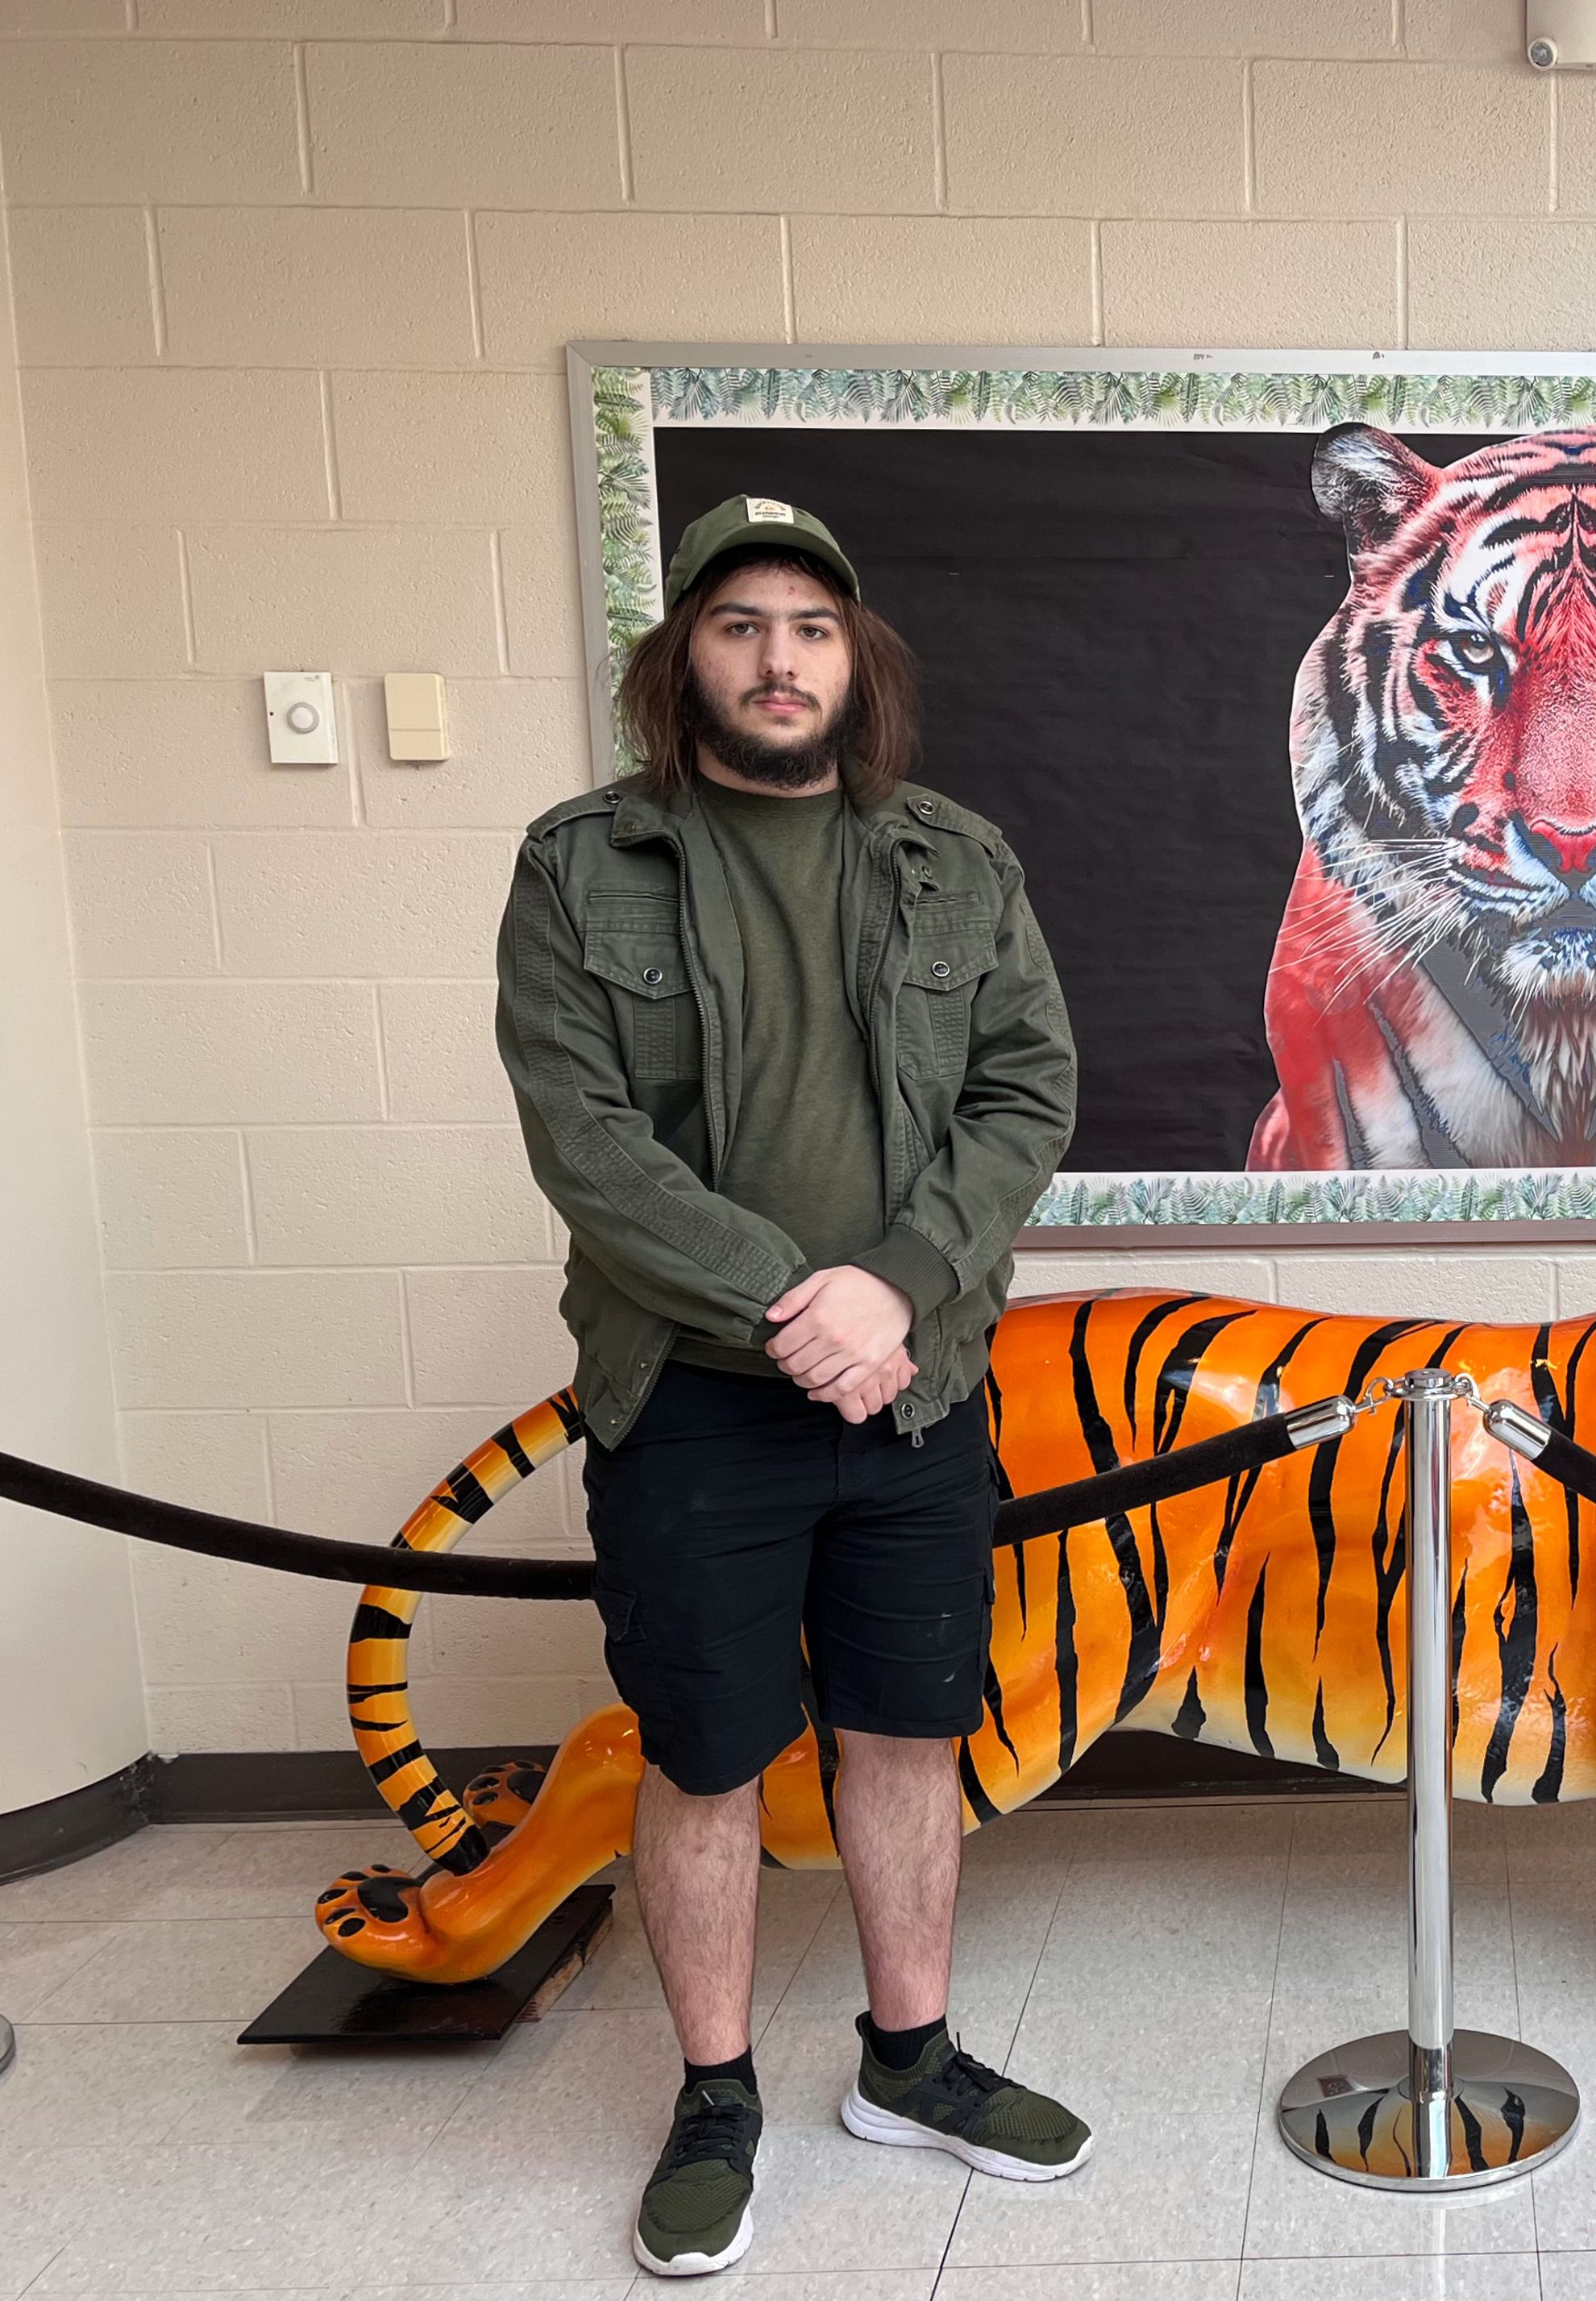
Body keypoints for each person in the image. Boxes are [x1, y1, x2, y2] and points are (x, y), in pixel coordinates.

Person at [495, 495, 1084, 2277]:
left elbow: (1025, 1093)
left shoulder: (955, 859)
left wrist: (893, 1292)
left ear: (855, 658)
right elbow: (582, 1139)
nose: (777, 657)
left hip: (913, 1388)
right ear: (685, 657)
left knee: (909, 1734)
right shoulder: (579, 860)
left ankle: (909, 2064)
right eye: (740, 624)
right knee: (707, 1754)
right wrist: (790, 1301)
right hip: (690, 1393)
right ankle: (718, 2094)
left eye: (811, 627)